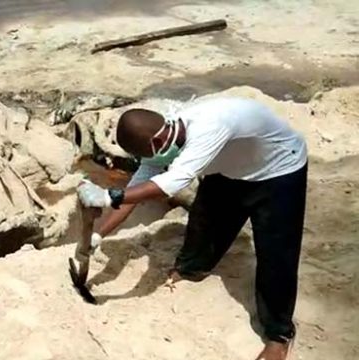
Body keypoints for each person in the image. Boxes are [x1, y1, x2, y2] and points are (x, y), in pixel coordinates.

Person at [77, 97, 307, 360]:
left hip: (278, 170)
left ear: (157, 144)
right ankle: (191, 268)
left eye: (144, 155)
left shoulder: (208, 127)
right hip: (230, 170)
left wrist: (108, 196)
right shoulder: (162, 139)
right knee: (204, 223)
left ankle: (279, 336)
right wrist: (98, 234)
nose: (145, 161)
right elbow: (135, 193)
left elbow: (171, 184)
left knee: (277, 255)